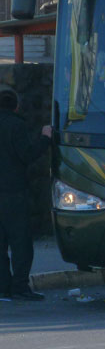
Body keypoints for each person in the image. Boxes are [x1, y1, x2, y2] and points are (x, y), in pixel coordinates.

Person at [0, 89, 51, 301]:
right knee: (20, 242)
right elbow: (27, 154)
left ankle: (3, 286)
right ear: (16, 106)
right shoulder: (15, 125)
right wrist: (45, 138)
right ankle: (19, 286)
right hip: (13, 192)